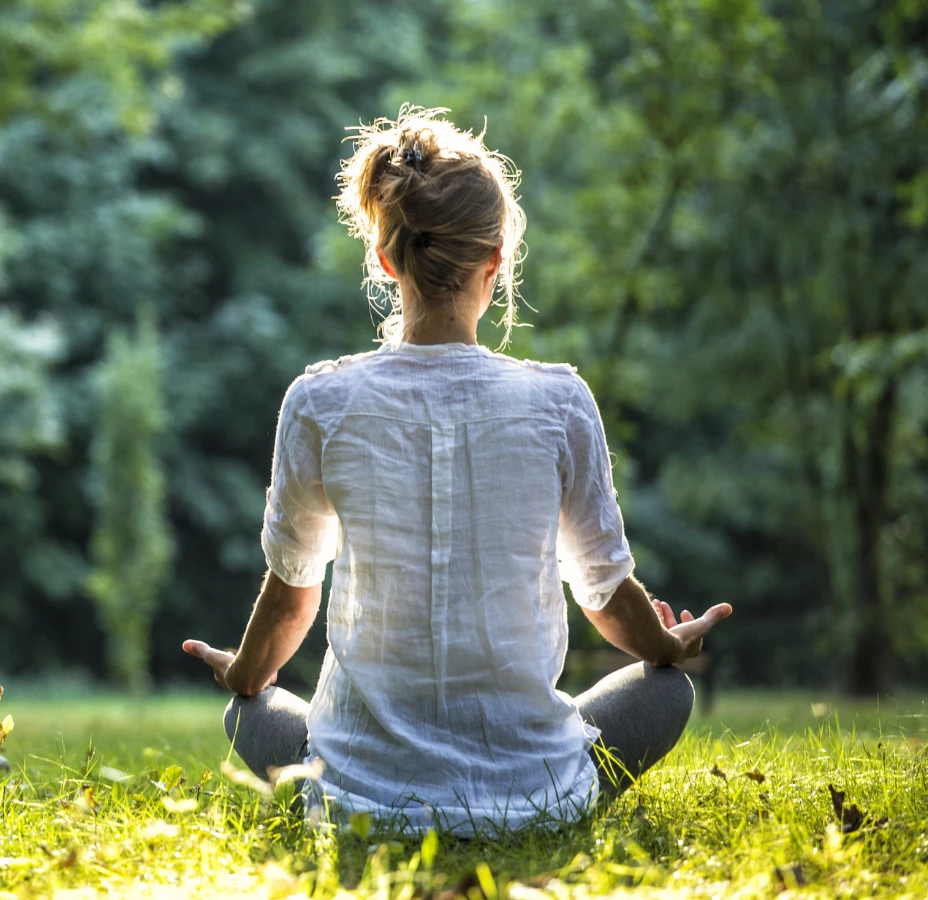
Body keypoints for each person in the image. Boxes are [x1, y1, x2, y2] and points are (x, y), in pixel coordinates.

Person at [181, 107, 732, 835]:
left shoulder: (319, 402)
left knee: (247, 711)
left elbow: (290, 602)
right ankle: (544, 800)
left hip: (360, 803)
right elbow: (604, 594)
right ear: (495, 260)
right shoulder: (558, 401)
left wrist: (245, 674)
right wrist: (665, 645)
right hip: (532, 795)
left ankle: (350, 779)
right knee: (667, 696)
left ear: (385, 259)